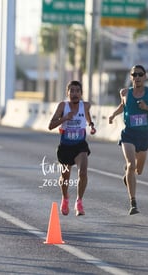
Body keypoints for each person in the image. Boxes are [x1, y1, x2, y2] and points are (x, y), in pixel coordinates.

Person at [109, 64, 148, 215]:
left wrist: (147, 108)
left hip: (143, 136)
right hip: (128, 134)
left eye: (140, 74)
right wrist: (113, 115)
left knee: (138, 171)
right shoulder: (124, 92)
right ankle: (133, 203)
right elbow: (123, 106)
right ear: (131, 77)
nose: (137, 77)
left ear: (145, 77)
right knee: (130, 164)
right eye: (134, 75)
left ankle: (128, 176)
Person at [48, 80, 96, 216]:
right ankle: (65, 197)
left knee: (83, 172)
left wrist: (91, 125)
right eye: (72, 91)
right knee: (65, 177)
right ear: (67, 93)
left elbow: (86, 115)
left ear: (81, 94)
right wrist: (64, 118)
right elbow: (50, 125)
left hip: (80, 146)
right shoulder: (63, 106)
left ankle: (79, 201)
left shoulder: (85, 105)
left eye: (77, 91)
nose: (75, 94)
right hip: (65, 147)